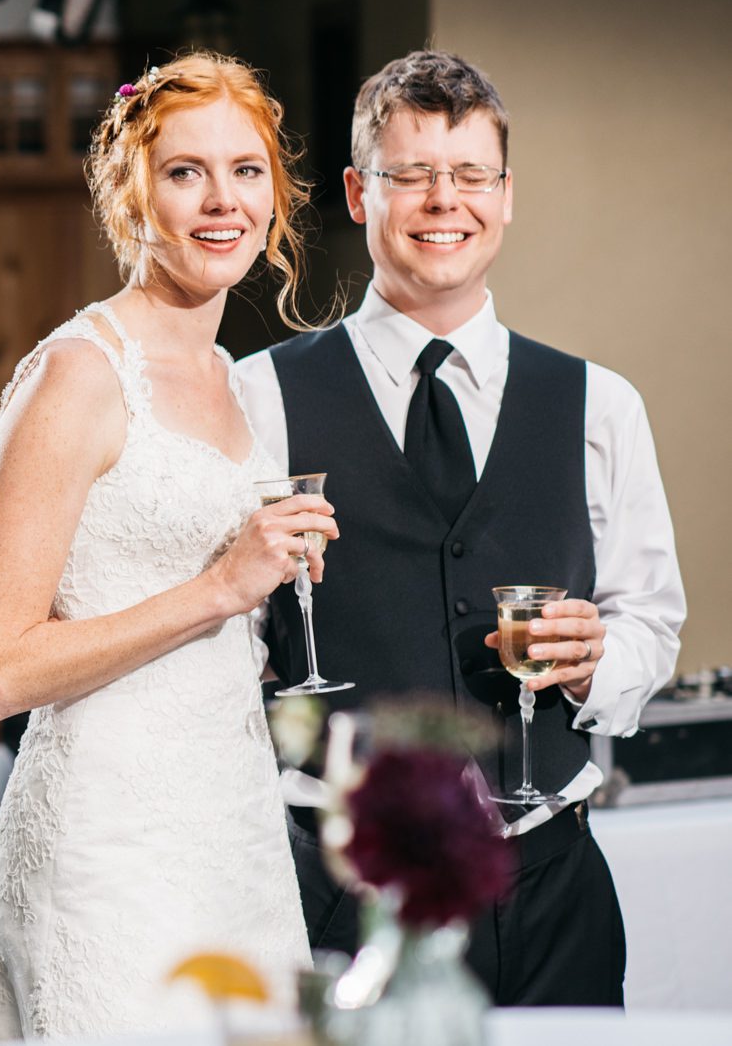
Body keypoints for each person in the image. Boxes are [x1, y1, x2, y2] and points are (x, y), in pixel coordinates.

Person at [233, 49, 684, 1006]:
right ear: (359, 194)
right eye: (414, 176)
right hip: (337, 889)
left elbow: (650, 620)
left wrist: (599, 664)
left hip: (554, 885)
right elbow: (223, 636)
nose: (448, 200)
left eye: (472, 174)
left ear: (507, 195)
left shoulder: (601, 404)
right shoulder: (259, 395)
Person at [0, 52, 330, 1041]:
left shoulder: (235, 380)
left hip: (235, 823)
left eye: (247, 171)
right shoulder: (83, 374)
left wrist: (272, 573)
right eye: (185, 171)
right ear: (132, 192)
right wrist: (223, 585)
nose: (222, 200)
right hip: (108, 842)